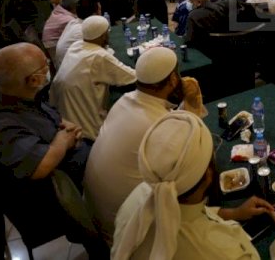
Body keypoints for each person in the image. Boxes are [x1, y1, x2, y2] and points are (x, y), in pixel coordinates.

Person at [0, 43, 101, 255]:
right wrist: (63, 141)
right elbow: (41, 166)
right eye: (44, 66)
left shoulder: (21, 98)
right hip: (50, 203)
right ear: (33, 80)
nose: (48, 69)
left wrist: (66, 130)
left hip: (71, 174)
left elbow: (53, 121)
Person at [112, 111, 275, 260]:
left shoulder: (139, 196)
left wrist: (233, 213)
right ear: (208, 175)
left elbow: (182, 212)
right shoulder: (221, 251)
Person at [84, 47, 207, 242]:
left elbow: (174, 124)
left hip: (96, 216)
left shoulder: (124, 100)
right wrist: (192, 106)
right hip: (125, 233)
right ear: (173, 79)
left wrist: (188, 104)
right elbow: (193, 153)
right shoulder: (158, 126)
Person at [50, 16, 136, 140]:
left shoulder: (76, 45)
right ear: (103, 36)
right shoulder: (99, 56)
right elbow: (131, 76)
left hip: (62, 117)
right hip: (85, 131)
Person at [54, 0, 101, 67]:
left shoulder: (74, 22)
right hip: (71, 68)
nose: (101, 13)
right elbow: (100, 52)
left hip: (67, 65)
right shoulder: (84, 30)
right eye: (99, 10)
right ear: (94, 14)